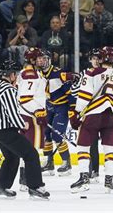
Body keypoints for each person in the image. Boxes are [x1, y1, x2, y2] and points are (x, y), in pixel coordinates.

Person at [69, 46, 113, 193]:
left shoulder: (92, 73)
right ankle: (109, 180)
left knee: (83, 146)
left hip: (94, 114)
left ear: (102, 59)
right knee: (110, 148)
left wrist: (77, 113)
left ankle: (84, 178)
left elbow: (84, 96)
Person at [0, 60, 50, 200]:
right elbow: (11, 112)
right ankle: (35, 187)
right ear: (11, 75)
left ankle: (1, 187)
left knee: (12, 157)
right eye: (16, 74)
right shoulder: (8, 89)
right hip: (7, 130)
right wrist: (22, 124)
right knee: (31, 154)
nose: (17, 76)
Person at [39, 49, 78, 177]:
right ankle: (49, 163)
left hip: (62, 107)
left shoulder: (58, 74)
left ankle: (66, 163)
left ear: (49, 60)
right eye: (39, 58)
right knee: (46, 134)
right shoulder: (38, 74)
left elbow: (71, 94)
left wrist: (72, 110)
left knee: (57, 135)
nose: (41, 61)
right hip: (48, 106)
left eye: (44, 58)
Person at [16, 47, 48, 192]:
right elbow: (25, 98)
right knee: (31, 151)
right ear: (32, 60)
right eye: (39, 58)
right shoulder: (30, 75)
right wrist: (39, 111)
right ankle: (29, 181)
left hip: (27, 116)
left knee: (27, 150)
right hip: (30, 117)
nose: (42, 60)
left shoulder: (34, 73)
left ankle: (24, 180)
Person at [70, 48, 102, 182]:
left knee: (99, 143)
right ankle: (91, 170)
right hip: (88, 112)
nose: (96, 60)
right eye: (93, 58)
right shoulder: (84, 73)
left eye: (98, 58)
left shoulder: (104, 73)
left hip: (102, 111)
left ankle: (95, 170)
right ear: (90, 60)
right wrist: (76, 83)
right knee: (89, 142)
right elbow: (73, 92)